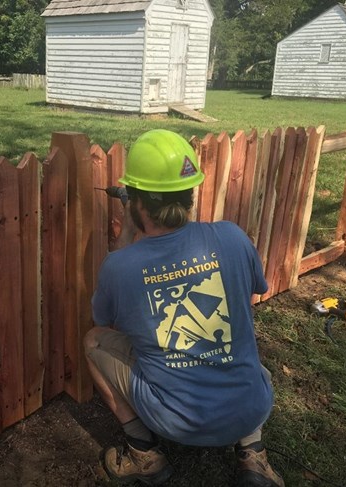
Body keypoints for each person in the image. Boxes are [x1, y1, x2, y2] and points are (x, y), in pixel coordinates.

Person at [84, 129, 284, 487]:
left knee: (94, 341)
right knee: (256, 368)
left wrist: (128, 230)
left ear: (137, 202)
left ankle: (144, 455)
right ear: (191, 194)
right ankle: (253, 459)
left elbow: (105, 320)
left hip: (177, 421)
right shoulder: (233, 236)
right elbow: (255, 288)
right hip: (249, 408)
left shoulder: (120, 265)